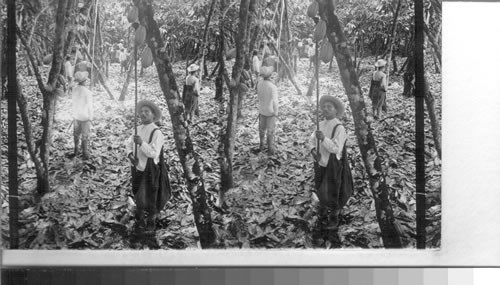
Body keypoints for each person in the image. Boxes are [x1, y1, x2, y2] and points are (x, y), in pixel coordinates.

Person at [309, 95, 354, 246]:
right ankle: (322, 209)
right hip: (321, 163)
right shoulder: (320, 124)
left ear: (336, 110)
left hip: (333, 164)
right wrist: (313, 150)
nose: (326, 109)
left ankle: (334, 216)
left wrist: (323, 139)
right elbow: (310, 140)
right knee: (320, 186)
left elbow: (336, 148)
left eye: (330, 107)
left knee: (334, 189)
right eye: (324, 107)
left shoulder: (339, 127)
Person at [125, 100, 166, 231]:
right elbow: (129, 143)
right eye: (141, 112)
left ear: (153, 115)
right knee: (138, 194)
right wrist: (130, 154)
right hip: (137, 168)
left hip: (149, 170)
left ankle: (151, 221)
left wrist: (141, 143)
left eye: (147, 112)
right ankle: (140, 219)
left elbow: (154, 153)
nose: (143, 114)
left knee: (150, 196)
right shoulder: (137, 129)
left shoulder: (156, 132)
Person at [256, 65, 279, 155]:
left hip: (262, 110)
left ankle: (261, 145)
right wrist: (276, 113)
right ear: (270, 76)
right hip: (270, 112)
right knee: (270, 132)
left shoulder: (259, 84)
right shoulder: (272, 87)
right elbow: (275, 102)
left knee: (262, 130)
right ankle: (270, 149)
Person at [71, 71, 93, 160]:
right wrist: (91, 117)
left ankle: (76, 150)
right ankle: (85, 153)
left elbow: (73, 103)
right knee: (85, 136)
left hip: (76, 116)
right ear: (84, 81)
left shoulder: (74, 89)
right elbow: (90, 106)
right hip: (85, 117)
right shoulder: (87, 92)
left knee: (76, 135)